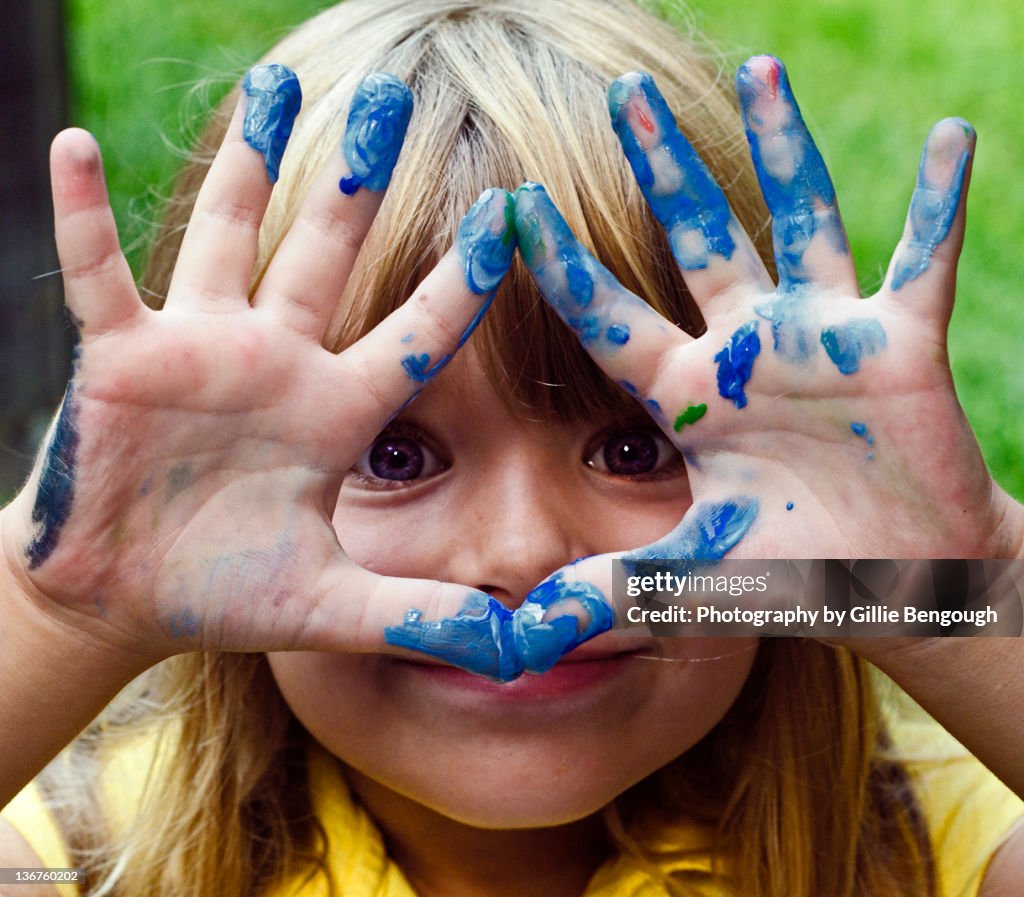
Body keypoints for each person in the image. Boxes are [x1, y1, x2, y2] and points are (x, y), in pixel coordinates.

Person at [1, 0, 1022, 895]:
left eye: (633, 448)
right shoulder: (81, 859)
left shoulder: (948, 853)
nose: (522, 552)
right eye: (393, 455)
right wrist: (52, 616)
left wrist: (948, 587)